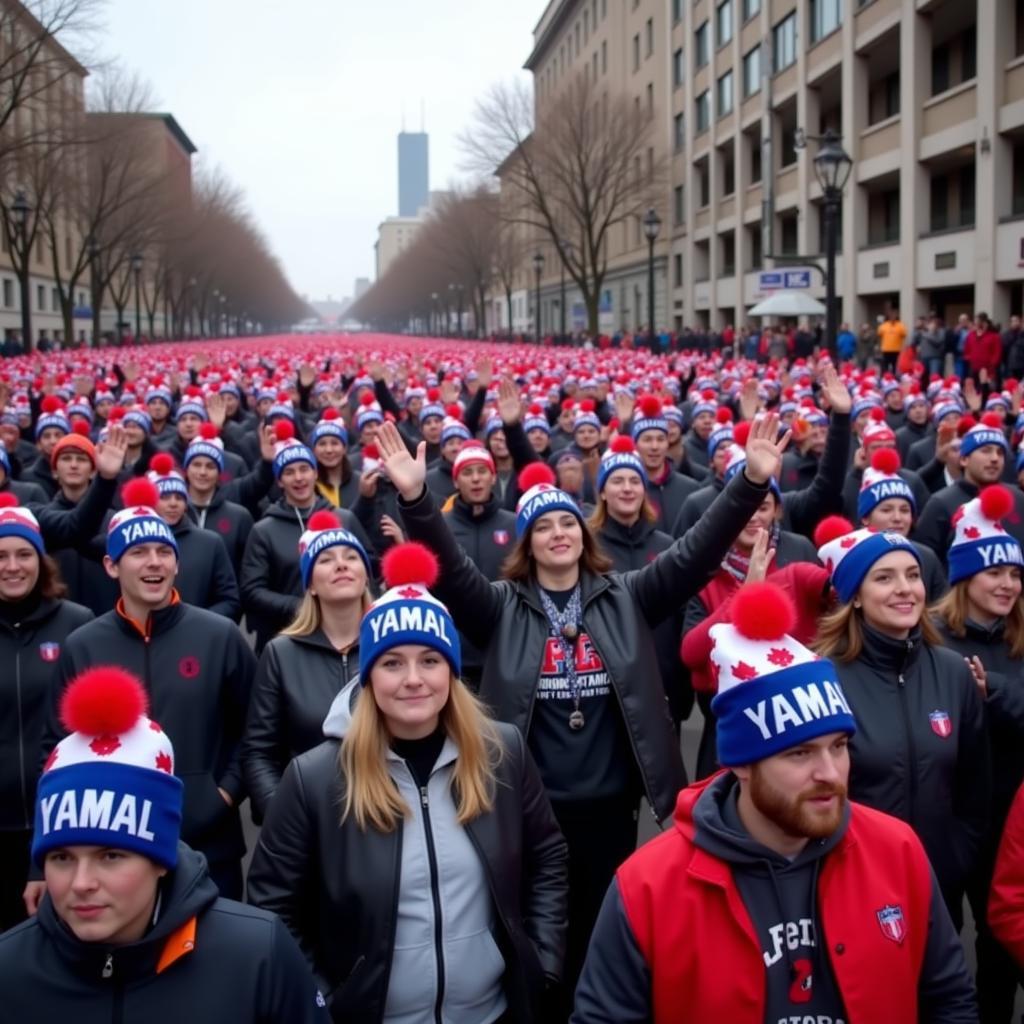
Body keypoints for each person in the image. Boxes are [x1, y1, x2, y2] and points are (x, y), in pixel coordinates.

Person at [375, 412, 790, 1001]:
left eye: (567, 522)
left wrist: (749, 481)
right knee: (539, 939)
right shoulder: (499, 607)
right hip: (528, 810)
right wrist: (416, 497)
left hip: (610, 808)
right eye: (542, 527)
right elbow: (451, 574)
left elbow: (696, 553)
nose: (558, 534)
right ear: (528, 543)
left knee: (603, 932)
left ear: (583, 534)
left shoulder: (628, 596)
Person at [571, 581, 978, 1023]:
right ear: (742, 765)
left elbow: (949, 999)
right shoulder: (647, 888)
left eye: (839, 746)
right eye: (799, 753)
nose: (830, 773)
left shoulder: (897, 851)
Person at [247, 543, 568, 1023]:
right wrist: (325, 1001)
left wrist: (541, 962)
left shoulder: (503, 752)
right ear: (368, 676)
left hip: (492, 1014)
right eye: (392, 663)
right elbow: (274, 906)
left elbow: (548, 859)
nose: (413, 679)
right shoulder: (314, 777)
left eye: (431, 661)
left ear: (453, 672)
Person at [0, 666, 329, 1021]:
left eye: (110, 855)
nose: (81, 884)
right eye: (62, 857)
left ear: (161, 858)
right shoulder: (9, 970)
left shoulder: (257, 954)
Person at [37, 478, 257, 902]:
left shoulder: (220, 635)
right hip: (113, 851)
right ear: (111, 566)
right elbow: (56, 747)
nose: (153, 562)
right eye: (137, 552)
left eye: (163, 552)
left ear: (176, 564)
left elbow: (255, 727)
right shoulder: (84, 644)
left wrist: (224, 792)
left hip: (210, 845)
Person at [814, 517, 991, 924]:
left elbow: (975, 789)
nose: (905, 589)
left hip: (937, 888)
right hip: (850, 889)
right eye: (884, 578)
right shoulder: (823, 678)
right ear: (855, 596)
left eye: (913, 575)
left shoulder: (953, 672)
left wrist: (954, 859)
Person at [932, 485, 1024, 1020]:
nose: (1008, 585)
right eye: (995, 573)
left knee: (1001, 946)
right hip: (946, 817)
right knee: (941, 939)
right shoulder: (932, 638)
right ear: (966, 577)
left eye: (1014, 574)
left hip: (1010, 828)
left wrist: (994, 695)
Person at [243, 510, 373, 822]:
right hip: (308, 824)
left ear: (366, 575)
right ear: (310, 585)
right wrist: (286, 819)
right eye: (326, 559)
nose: (341, 564)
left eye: (351, 557)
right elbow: (259, 753)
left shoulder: (392, 647)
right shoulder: (281, 653)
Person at [0, 496, 92, 931]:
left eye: (23, 554)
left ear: (41, 559)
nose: (12, 566)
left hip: (61, 822)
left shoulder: (75, 624)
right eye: (0, 555)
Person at [240, 420, 374, 652]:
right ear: (280, 481)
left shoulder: (345, 519)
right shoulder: (264, 529)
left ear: (315, 473)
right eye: (289, 472)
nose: (298, 478)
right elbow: (252, 591)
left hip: (346, 636)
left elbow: (371, 566)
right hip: (286, 637)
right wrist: (304, 606)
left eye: (304, 469)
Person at [589, 436, 692, 730]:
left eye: (634, 481)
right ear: (603, 493)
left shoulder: (666, 546)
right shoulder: (587, 546)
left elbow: (682, 613)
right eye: (617, 481)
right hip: (604, 684)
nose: (626, 488)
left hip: (664, 682)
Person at [916, 414, 1024, 561]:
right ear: (964, 459)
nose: (994, 458)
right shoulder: (940, 504)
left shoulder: (1018, 498)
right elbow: (926, 564)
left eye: (1000, 452)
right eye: (985, 450)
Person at [148, 454, 240, 620]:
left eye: (179, 497)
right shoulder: (134, 544)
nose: (173, 503)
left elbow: (230, 601)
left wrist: (196, 623)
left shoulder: (210, 542)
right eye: (165, 497)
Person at [856, 448, 947, 601]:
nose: (898, 518)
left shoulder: (927, 557)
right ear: (865, 517)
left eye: (905, 510)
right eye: (886, 510)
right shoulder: (853, 556)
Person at [310, 408, 361, 508]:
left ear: (344, 448)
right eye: (322, 444)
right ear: (314, 450)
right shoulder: (308, 485)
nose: (329, 450)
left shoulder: (360, 482)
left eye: (334, 443)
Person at [878, 310, 907, 375]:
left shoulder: (900, 325)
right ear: (889, 317)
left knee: (895, 366)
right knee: (885, 366)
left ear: (896, 317)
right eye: (891, 316)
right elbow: (879, 334)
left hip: (896, 349)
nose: (892, 317)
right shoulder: (884, 325)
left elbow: (904, 334)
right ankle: (885, 379)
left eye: (894, 316)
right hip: (886, 349)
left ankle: (893, 378)